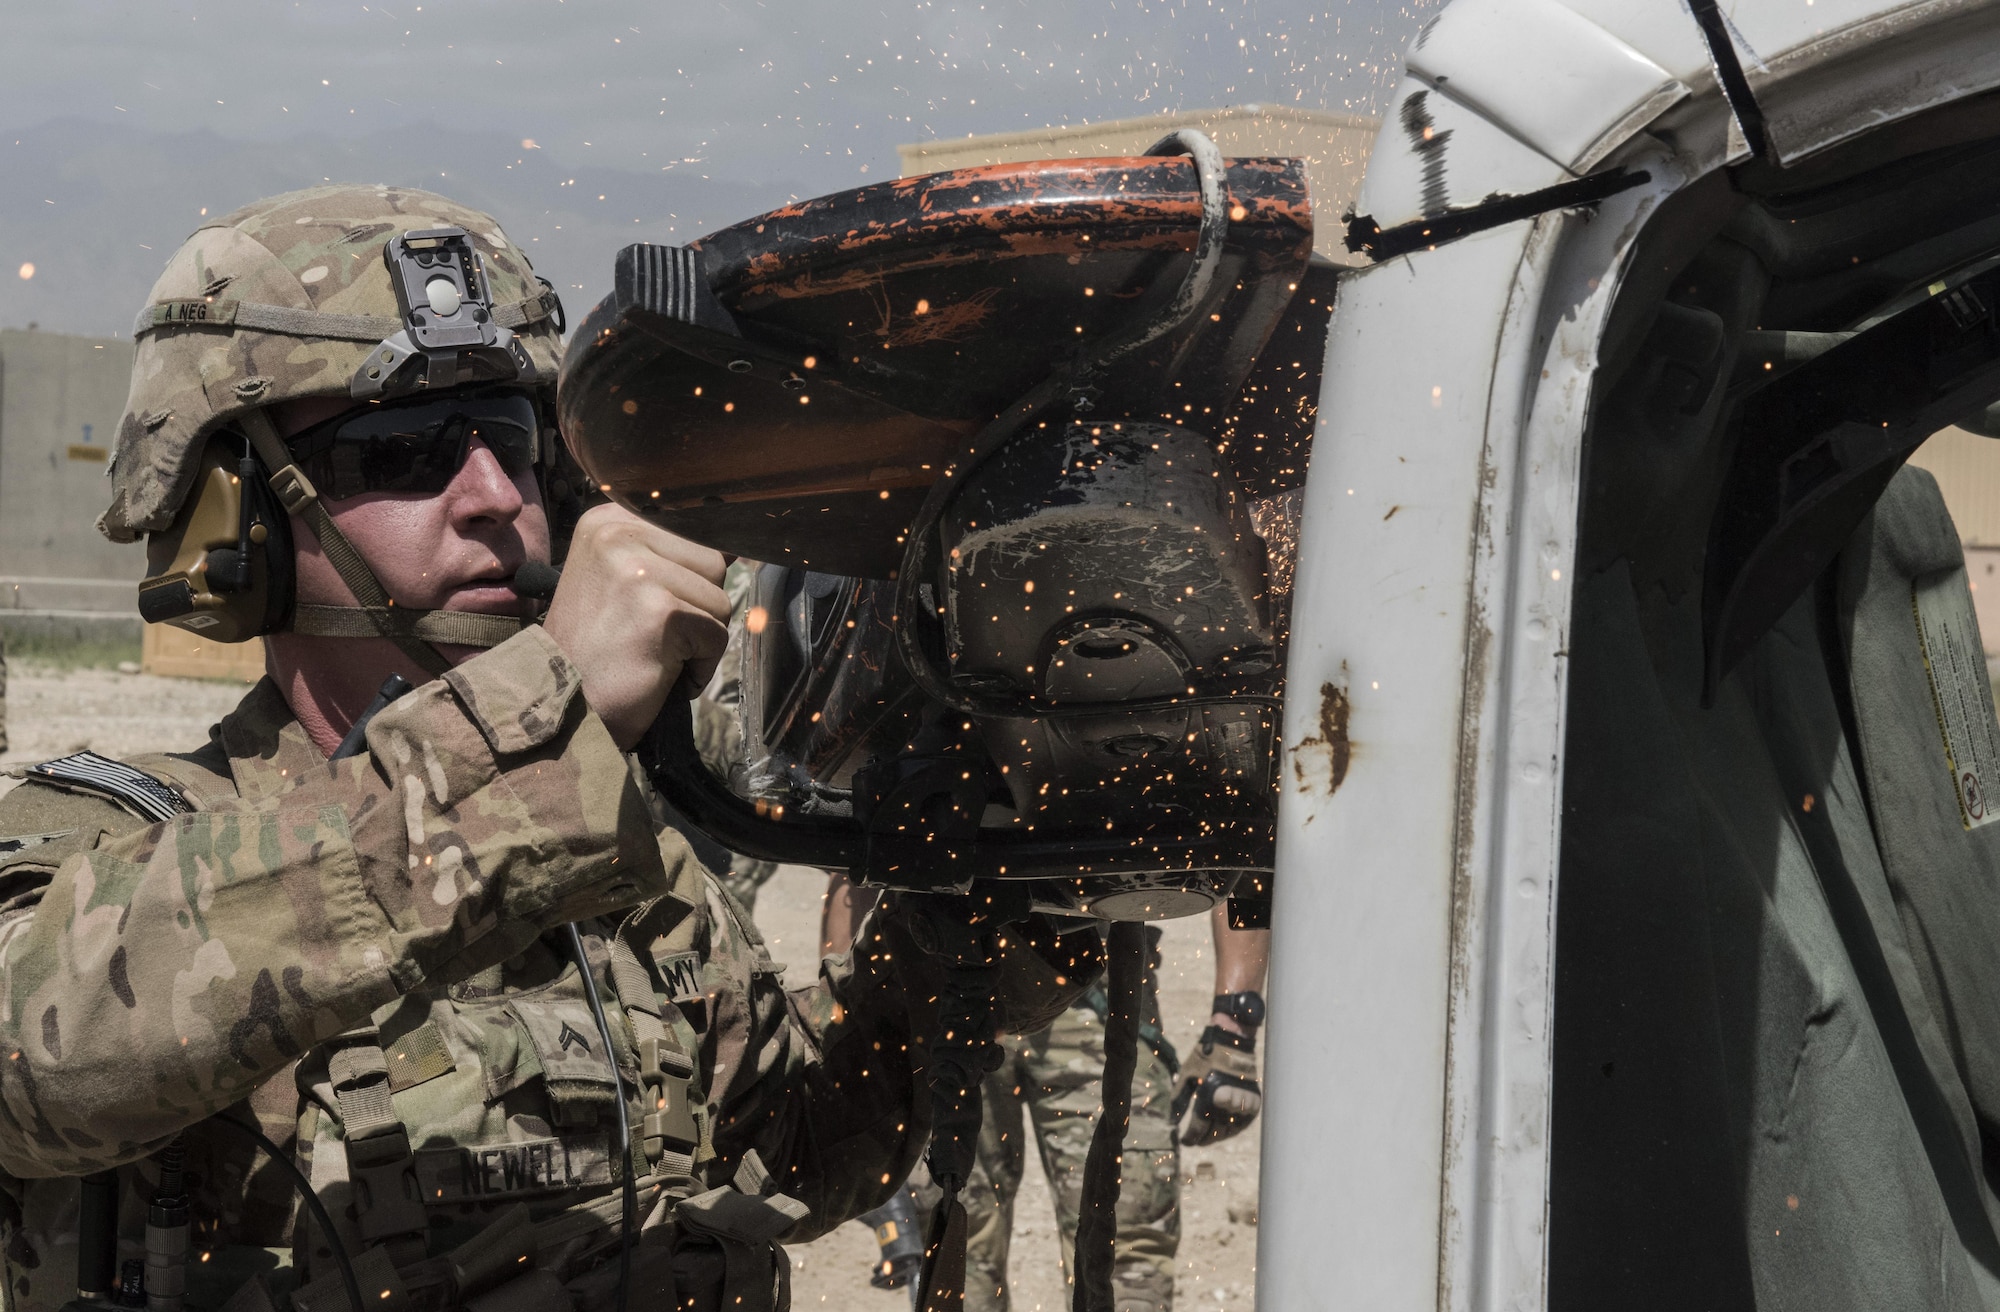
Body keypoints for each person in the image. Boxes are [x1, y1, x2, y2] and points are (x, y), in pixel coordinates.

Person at [0, 184, 1097, 1312]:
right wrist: (540, 717)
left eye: (513, 440)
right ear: (239, 514)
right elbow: (35, 1058)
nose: (490, 496)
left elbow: (801, 1150)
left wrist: (989, 914)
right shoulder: (117, 836)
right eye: (410, 445)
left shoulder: (619, 852)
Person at [826, 885, 1269, 1312]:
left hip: (1099, 990)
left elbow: (1237, 838)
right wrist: (847, 1030)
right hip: (947, 991)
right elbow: (856, 856)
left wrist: (1233, 1026)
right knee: (953, 1235)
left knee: (1126, 1241)